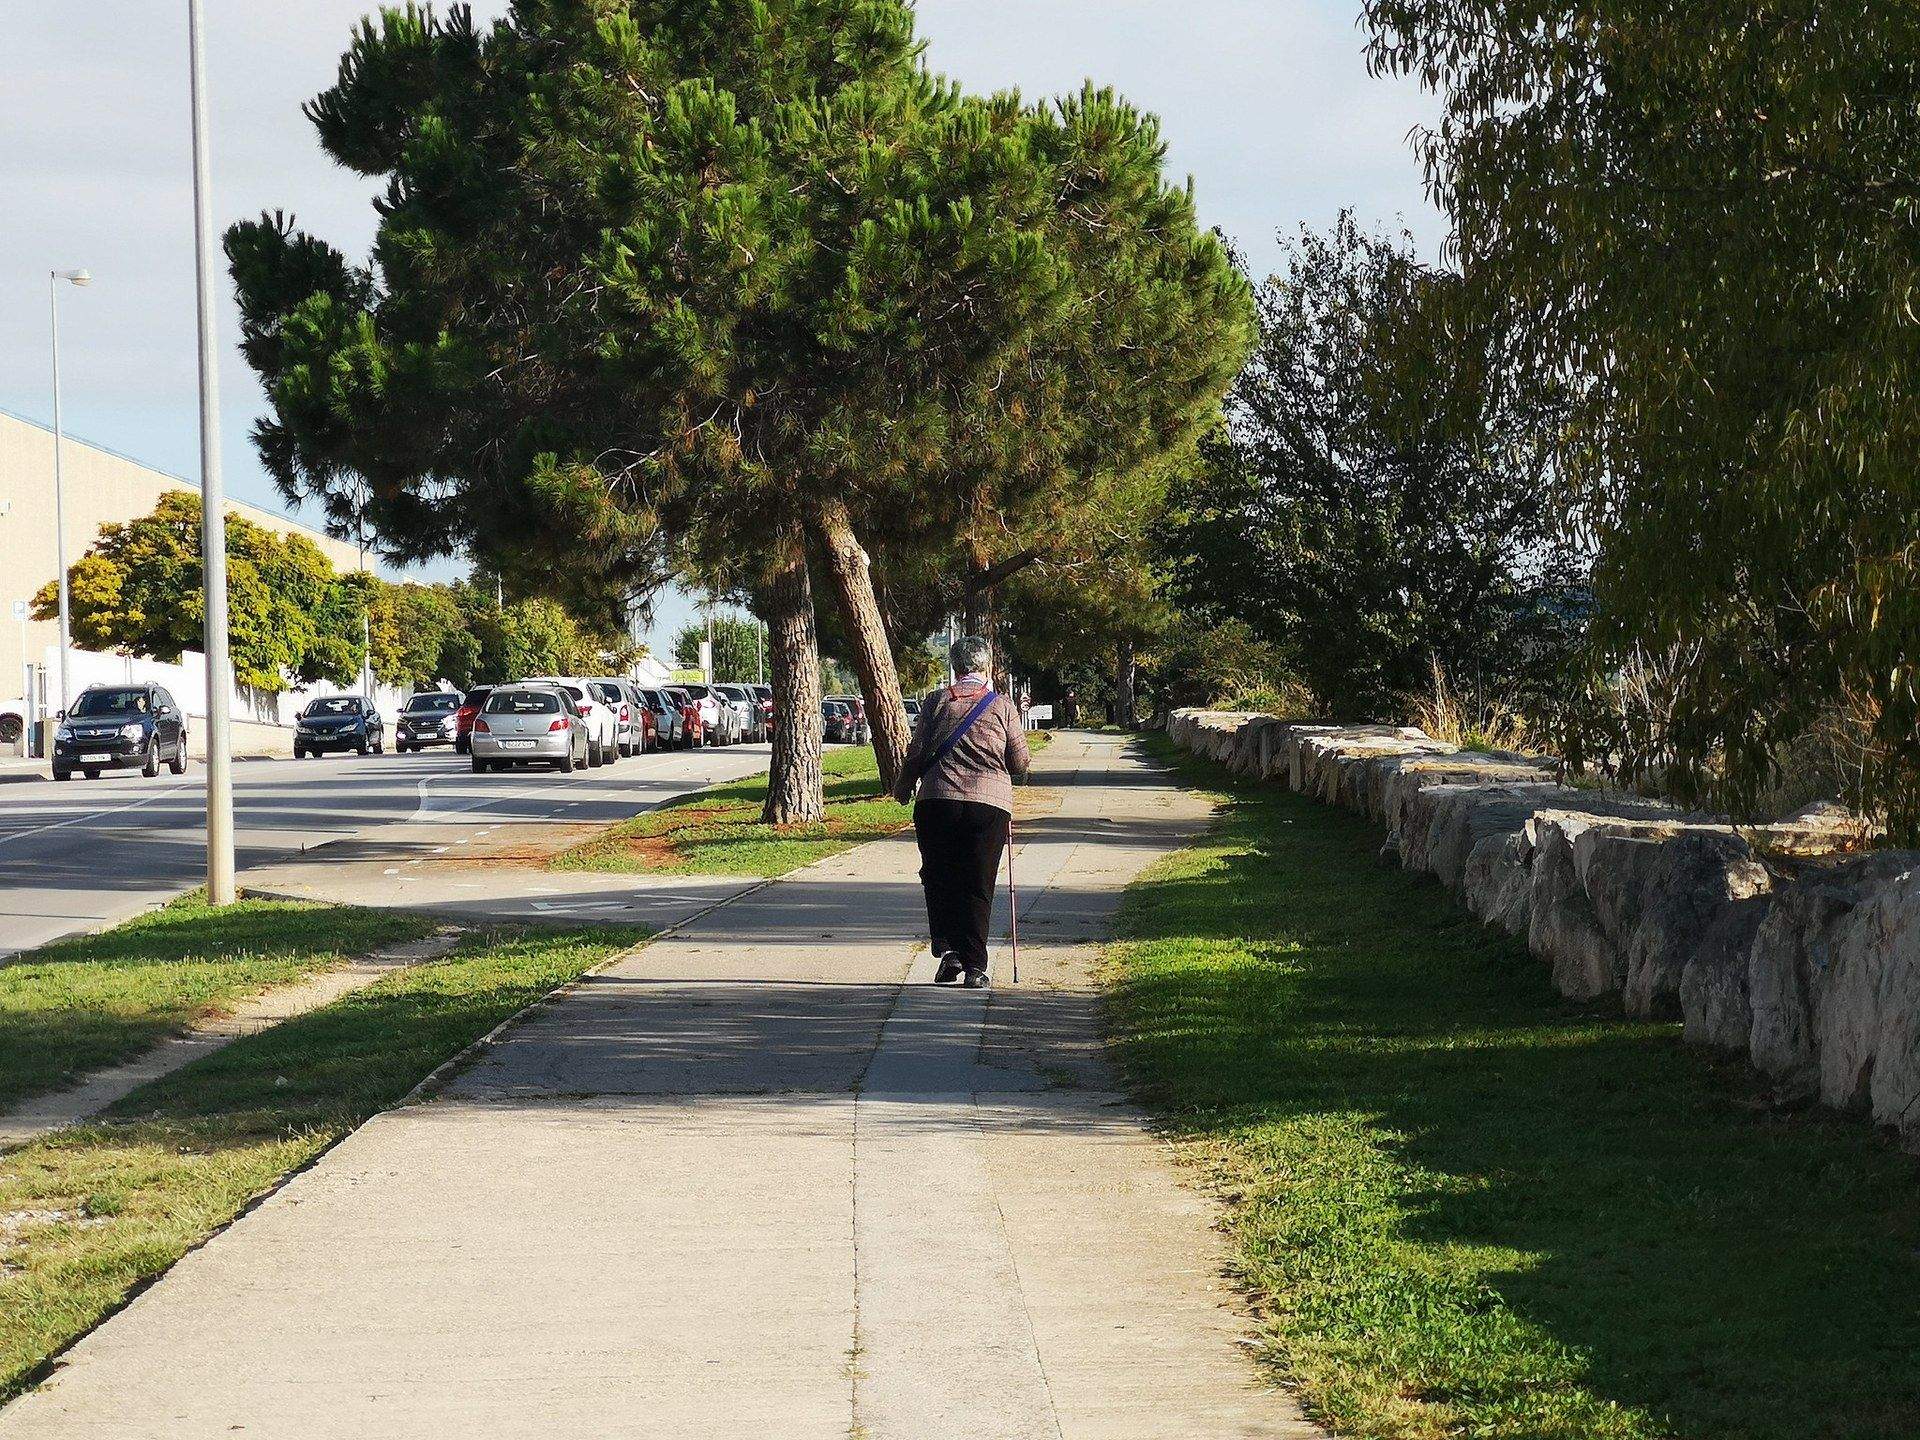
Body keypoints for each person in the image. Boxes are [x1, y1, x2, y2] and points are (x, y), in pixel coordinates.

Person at [892, 635, 1030, 989]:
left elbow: (916, 752)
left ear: (955, 667)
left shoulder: (936, 702)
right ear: (986, 667)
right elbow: (1019, 762)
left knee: (939, 876)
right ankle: (975, 967)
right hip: (988, 806)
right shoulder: (1002, 707)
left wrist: (903, 787)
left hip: (936, 802)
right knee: (978, 882)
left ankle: (949, 949)